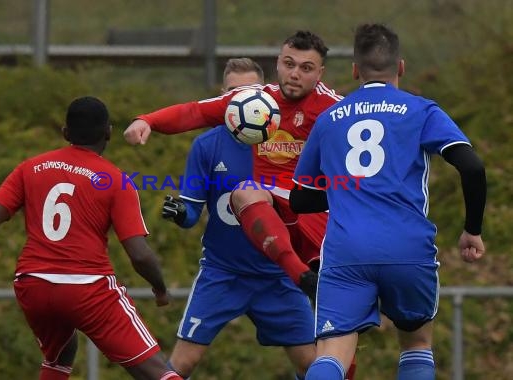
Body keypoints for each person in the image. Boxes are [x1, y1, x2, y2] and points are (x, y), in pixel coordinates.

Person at [290, 23, 486, 380]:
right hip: (407, 246)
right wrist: (472, 230)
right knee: (415, 343)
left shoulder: (329, 119)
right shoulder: (422, 111)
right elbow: (471, 167)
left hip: (346, 249)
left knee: (332, 353)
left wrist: (346, 193)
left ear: (354, 70)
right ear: (401, 67)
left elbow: (301, 199)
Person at [0, 96, 183, 380]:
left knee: (60, 353)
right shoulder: (115, 180)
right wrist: (160, 288)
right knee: (156, 372)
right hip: (87, 289)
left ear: (65, 133)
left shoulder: (30, 168)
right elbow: (139, 253)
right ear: (108, 132)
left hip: (33, 285)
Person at [124, 30, 340, 301]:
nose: (295, 73)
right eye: (289, 64)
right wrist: (147, 121)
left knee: (333, 320)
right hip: (270, 209)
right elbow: (196, 112)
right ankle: (301, 277)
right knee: (244, 191)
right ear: (278, 63)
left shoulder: (334, 109)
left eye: (306, 68)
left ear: (320, 73)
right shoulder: (254, 102)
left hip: (312, 209)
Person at [161, 58, 317, 380]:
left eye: (251, 92)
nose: (243, 101)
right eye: (234, 93)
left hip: (278, 275)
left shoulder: (289, 142)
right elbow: (192, 213)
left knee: (314, 365)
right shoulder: (206, 145)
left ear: (267, 96)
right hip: (223, 273)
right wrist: (180, 213)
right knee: (183, 363)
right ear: (222, 97)